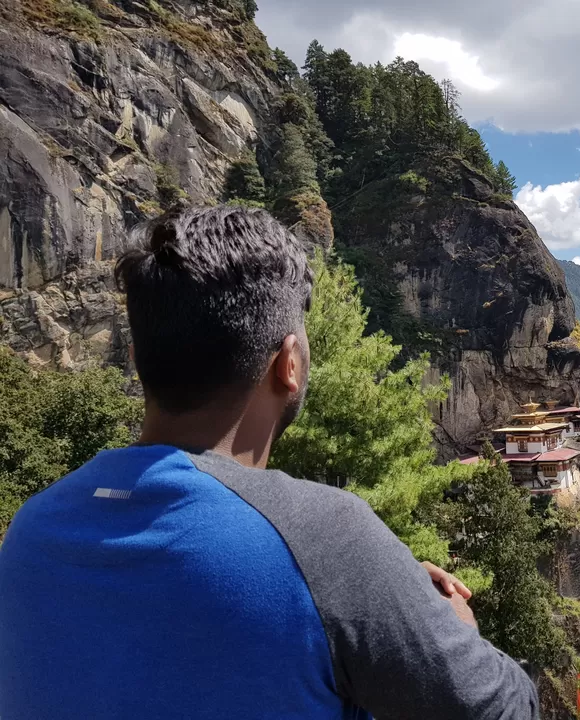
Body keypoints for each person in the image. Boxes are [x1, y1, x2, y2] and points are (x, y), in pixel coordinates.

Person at [0, 207, 539, 719]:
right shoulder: (328, 538)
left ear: (138, 360)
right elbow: (507, 710)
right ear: (290, 365)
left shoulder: (31, 529)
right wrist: (453, 627)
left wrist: (368, 594)